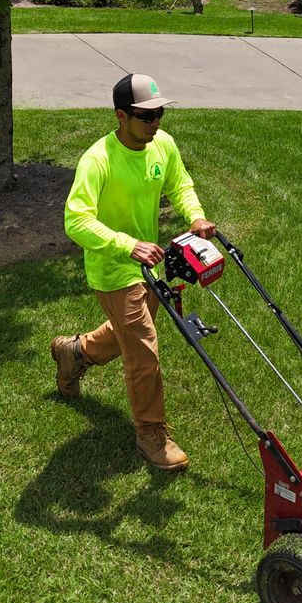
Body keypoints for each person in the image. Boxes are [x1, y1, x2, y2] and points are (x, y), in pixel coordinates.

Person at [51, 73, 215, 472]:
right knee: (143, 351)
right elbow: (75, 221)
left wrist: (195, 216)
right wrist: (127, 245)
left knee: (130, 336)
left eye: (159, 113)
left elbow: (181, 184)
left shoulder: (162, 146)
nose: (156, 122)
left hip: (149, 265)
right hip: (113, 268)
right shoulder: (98, 159)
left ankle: (74, 352)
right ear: (121, 116)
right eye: (146, 116)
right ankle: (150, 432)